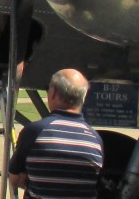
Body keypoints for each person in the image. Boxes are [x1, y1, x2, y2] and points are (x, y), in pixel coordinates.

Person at [9, 69, 104, 199]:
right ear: (84, 96)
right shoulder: (95, 140)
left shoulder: (34, 131)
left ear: (52, 92)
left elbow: (14, 179)